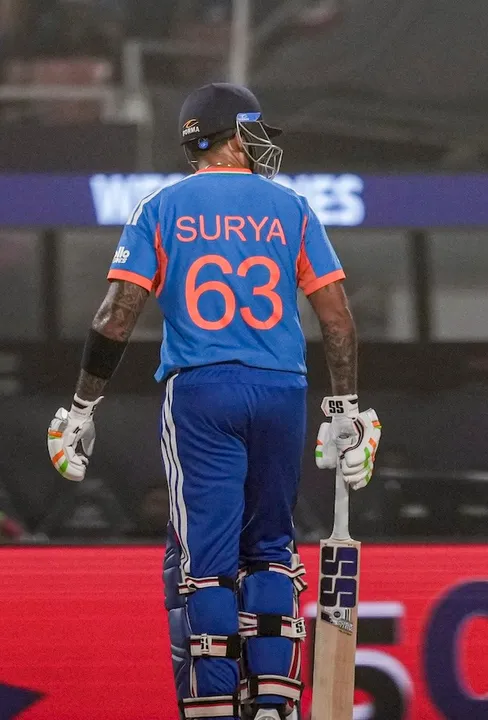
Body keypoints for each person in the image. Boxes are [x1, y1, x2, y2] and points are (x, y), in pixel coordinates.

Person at [45, 82, 382, 720]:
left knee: (205, 563)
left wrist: (83, 406)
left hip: (201, 391)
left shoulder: (162, 206)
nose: (260, 144)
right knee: (271, 552)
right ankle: (276, 703)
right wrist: (347, 412)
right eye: (251, 131)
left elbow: (117, 315)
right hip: (282, 388)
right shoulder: (293, 208)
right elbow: (337, 321)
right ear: (224, 135)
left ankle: (212, 706)